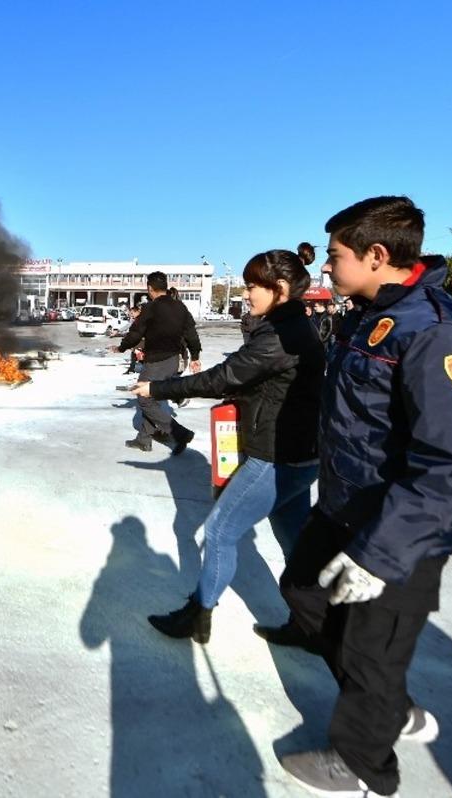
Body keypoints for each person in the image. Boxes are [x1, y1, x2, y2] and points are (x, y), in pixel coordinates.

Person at [272, 197, 452, 798]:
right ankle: (390, 705)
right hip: (349, 503)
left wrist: (382, 553)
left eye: (335, 257)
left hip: (409, 526)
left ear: (377, 256)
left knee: (374, 646)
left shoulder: (437, 332)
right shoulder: (371, 312)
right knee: (303, 589)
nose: (325, 267)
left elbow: (449, 461)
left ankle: (364, 764)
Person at [139, 249, 325, 645]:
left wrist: (157, 387)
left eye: (255, 284)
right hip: (300, 452)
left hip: (276, 455)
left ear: (281, 289)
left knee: (221, 530)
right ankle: (315, 625)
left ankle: (197, 615)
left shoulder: (280, 337)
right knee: (295, 539)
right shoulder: (286, 327)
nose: (247, 291)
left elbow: (223, 377)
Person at [113, 272, 201, 453]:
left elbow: (136, 333)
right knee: (151, 396)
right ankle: (144, 439)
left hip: (156, 361)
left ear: (150, 288)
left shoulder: (150, 308)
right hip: (173, 360)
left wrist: (122, 347)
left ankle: (179, 432)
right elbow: (191, 334)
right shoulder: (180, 307)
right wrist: (195, 356)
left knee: (144, 398)